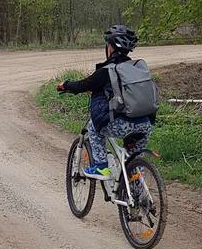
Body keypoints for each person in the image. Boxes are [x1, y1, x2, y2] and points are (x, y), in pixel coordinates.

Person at [57, 25, 155, 181]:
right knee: (133, 164)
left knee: (93, 128)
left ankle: (101, 167)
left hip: (122, 124)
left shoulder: (107, 70)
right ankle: (138, 198)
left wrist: (65, 85)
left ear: (111, 47)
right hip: (146, 123)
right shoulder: (137, 68)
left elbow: (84, 85)